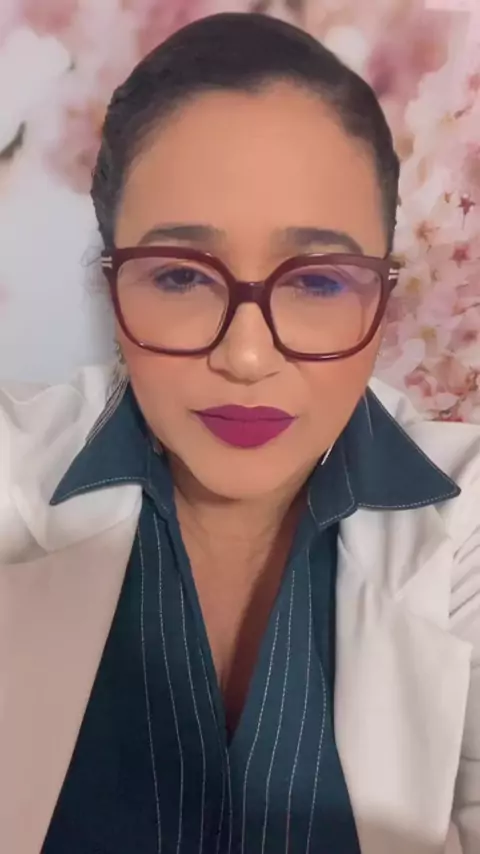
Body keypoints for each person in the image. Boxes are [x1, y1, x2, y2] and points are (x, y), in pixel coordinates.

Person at [0, 11, 478, 854]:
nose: (247, 355)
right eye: (180, 276)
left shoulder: (468, 523)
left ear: (383, 290)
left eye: (319, 281)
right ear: (110, 281)